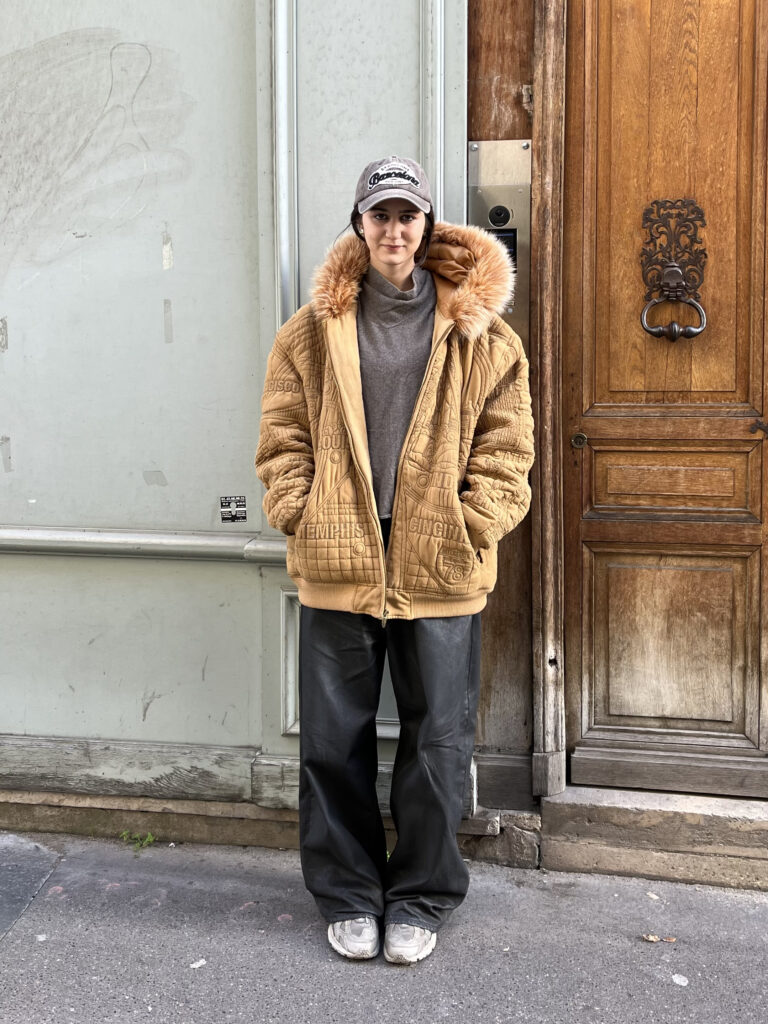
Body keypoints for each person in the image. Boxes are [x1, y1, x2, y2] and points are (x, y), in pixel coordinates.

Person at [255, 156, 534, 965]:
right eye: (379, 216)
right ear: (359, 225)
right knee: (332, 743)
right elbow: (283, 436)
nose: (394, 230)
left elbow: (507, 446)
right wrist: (299, 511)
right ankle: (346, 893)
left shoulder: (481, 331)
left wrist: (472, 520)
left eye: (408, 216)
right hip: (341, 556)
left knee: (438, 742)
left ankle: (420, 896)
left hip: (439, 563)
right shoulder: (311, 331)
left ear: (428, 226)